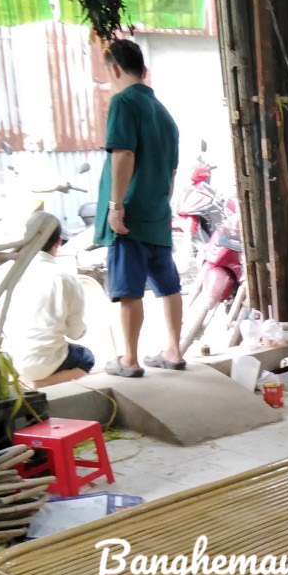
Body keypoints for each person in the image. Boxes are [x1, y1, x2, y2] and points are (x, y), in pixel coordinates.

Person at [94, 37, 185, 376]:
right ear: (144, 70)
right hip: (157, 213)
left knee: (129, 291)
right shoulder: (165, 115)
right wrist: (158, 204)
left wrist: (116, 205)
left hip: (130, 215)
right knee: (169, 286)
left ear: (115, 69)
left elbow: (124, 153)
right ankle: (173, 351)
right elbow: (172, 173)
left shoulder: (123, 102)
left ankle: (129, 359)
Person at [6, 213, 95, 387]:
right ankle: (40, 384)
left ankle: (27, 380)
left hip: (12, 360)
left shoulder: (11, 273)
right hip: (45, 362)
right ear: (58, 241)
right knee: (86, 358)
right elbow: (75, 333)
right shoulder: (65, 278)